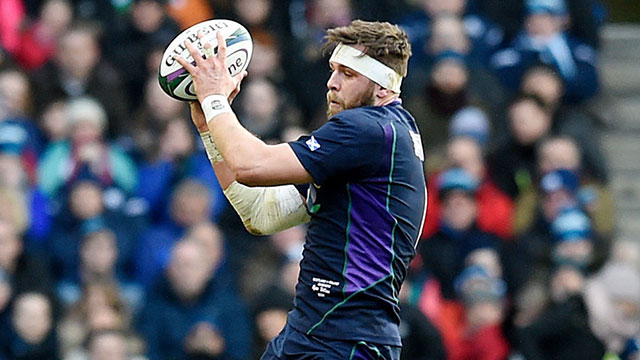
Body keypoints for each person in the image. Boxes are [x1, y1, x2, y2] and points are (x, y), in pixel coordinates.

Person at [177, 19, 427, 359]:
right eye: (333, 70)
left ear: (383, 89)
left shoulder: (367, 130)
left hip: (346, 341)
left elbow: (251, 165)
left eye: (348, 74)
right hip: (311, 331)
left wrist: (215, 98)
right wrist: (210, 126)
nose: (332, 83)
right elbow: (260, 215)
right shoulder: (378, 138)